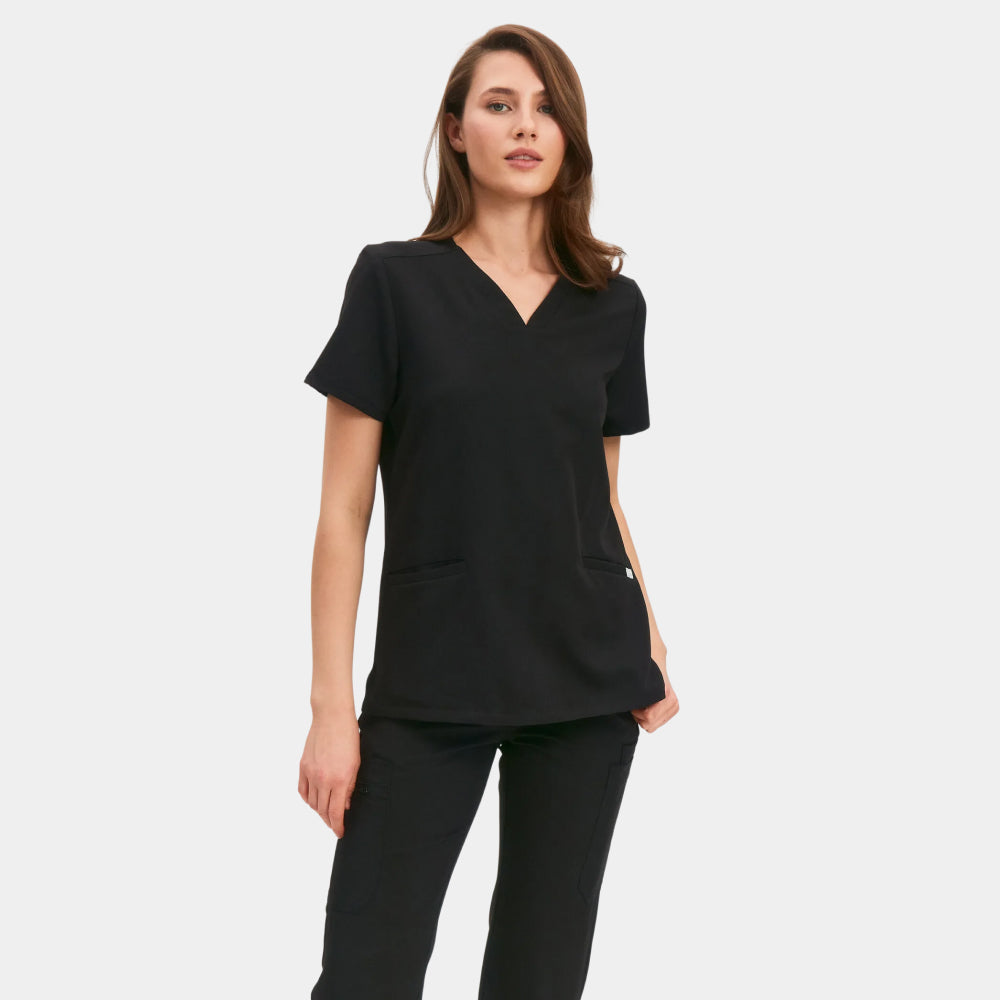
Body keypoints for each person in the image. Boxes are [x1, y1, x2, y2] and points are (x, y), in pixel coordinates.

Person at [299, 23, 680, 1000]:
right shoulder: (393, 283)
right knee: (367, 973)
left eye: (547, 108)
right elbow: (343, 511)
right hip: (433, 677)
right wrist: (332, 710)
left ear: (570, 136)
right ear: (455, 129)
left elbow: (599, 495)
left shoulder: (612, 304)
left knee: (539, 977)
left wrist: (647, 633)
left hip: (584, 675)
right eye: (500, 105)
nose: (525, 126)